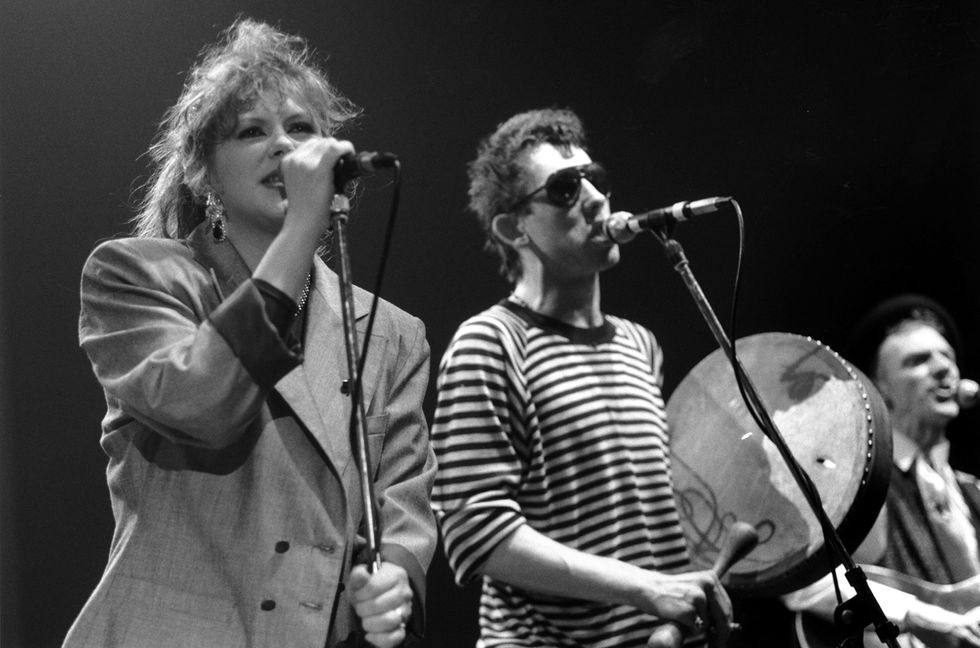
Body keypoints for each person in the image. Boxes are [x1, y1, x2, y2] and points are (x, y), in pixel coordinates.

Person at [64, 19, 436, 648]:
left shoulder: (392, 331)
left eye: (301, 129)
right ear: (203, 175)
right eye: (252, 132)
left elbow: (404, 499)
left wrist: (396, 579)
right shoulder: (137, 276)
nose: (283, 148)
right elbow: (201, 404)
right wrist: (299, 233)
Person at [429, 108, 734, 647]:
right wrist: (647, 589)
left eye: (597, 179)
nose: (595, 197)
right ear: (512, 226)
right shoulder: (492, 343)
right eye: (566, 188)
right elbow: (473, 534)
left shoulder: (640, 345)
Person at [784, 295, 980, 648]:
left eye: (947, 356)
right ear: (880, 390)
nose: (943, 369)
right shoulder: (853, 481)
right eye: (918, 361)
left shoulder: (972, 491)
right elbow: (804, 582)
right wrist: (914, 613)